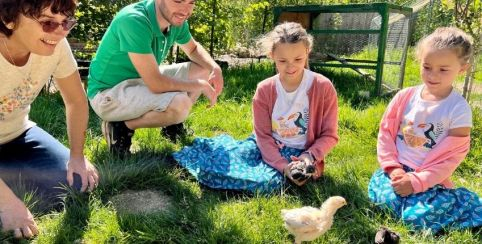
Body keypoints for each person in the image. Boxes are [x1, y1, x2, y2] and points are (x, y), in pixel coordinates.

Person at [173, 22, 339, 193]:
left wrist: (308, 157)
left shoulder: (323, 87)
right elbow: (263, 135)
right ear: (271, 55)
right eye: (282, 60)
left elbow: (330, 135)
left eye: (298, 59)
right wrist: (283, 166)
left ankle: (282, 173)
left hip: (303, 153)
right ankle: (197, 159)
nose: (291, 67)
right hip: (265, 146)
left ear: (307, 52)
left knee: (269, 183)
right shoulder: (265, 89)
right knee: (223, 163)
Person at [0, 0, 99, 239]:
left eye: (66, 23)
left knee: (76, 184)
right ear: (8, 19)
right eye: (47, 23)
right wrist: (6, 203)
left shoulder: (57, 45)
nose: (60, 32)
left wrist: (77, 155)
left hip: (18, 134)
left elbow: (76, 100)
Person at [368, 27, 482, 233]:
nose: (433, 75)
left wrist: (416, 181)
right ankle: (405, 199)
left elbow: (450, 158)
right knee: (382, 199)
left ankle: (463, 202)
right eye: (427, 66)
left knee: (415, 218)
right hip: (397, 171)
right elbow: (386, 133)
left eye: (443, 69)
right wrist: (394, 169)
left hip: (431, 179)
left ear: (462, 68)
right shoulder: (404, 97)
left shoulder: (458, 109)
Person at [87, 0, 224, 155]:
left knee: (203, 70)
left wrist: (215, 67)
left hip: (142, 79)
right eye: (178, 1)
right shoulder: (134, 20)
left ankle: (172, 124)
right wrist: (200, 85)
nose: (185, 10)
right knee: (181, 104)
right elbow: (156, 84)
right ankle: (121, 127)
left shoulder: (175, 20)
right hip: (108, 93)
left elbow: (192, 49)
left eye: (191, 2)